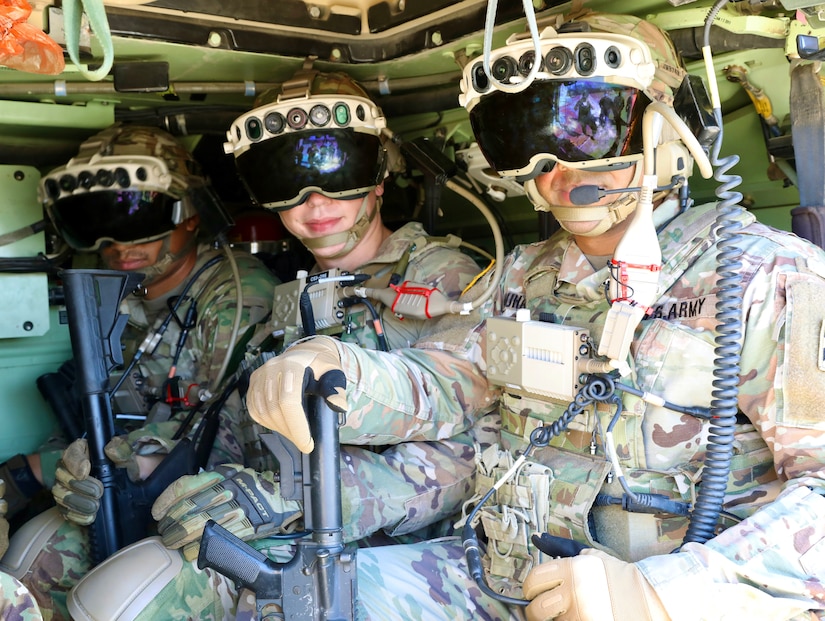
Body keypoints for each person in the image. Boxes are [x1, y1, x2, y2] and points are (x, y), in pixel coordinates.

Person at [346, 10, 825, 621]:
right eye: (527, 143)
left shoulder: (771, 277)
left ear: (666, 131)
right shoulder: (521, 273)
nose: (556, 174)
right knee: (312, 596)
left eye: (589, 133)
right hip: (505, 579)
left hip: (679, 599)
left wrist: (662, 596)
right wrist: (341, 375)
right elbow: (461, 405)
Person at [62, 69, 497, 620]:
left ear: (380, 174)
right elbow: (230, 430)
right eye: (284, 181)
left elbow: (470, 457)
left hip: (401, 544)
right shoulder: (293, 299)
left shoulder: (446, 280)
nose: (314, 201)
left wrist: (296, 499)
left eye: (338, 171)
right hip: (295, 528)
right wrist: (139, 467)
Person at [0, 123, 279, 619]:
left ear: (189, 217)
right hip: (123, 479)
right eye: (96, 222)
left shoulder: (237, 294)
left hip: (198, 496)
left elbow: (214, 430)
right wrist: (60, 468)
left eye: (136, 215)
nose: (116, 242)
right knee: (31, 562)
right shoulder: (121, 297)